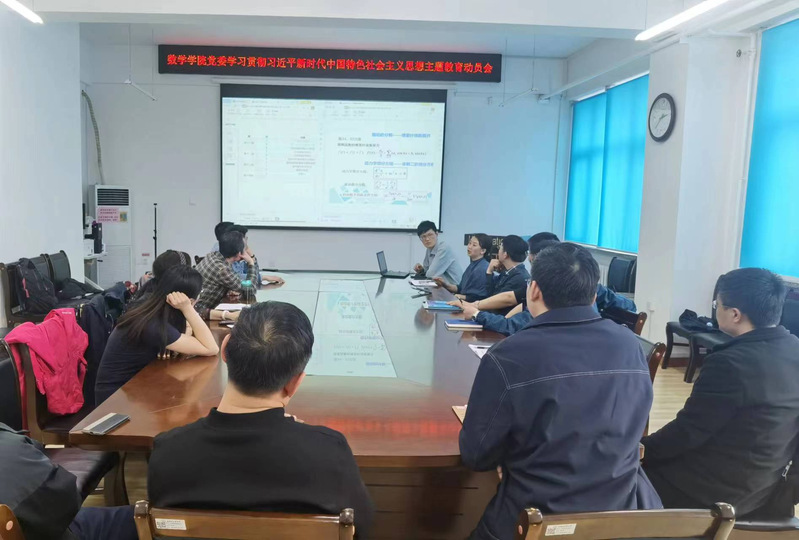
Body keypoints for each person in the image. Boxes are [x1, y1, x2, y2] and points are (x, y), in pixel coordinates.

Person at [460, 243, 660, 540]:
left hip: (537, 522)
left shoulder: (508, 356)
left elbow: (477, 456)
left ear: (533, 290)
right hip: (620, 518)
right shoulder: (630, 345)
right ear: (593, 295)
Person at [147, 302, 374, 538]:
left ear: (224, 349)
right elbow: (360, 529)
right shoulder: (329, 451)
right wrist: (307, 439)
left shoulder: (167, 451)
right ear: (295, 383)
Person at [642, 268, 799, 518]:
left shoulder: (730, 363)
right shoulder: (794, 349)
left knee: (628, 476)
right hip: (763, 488)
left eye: (717, 305)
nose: (715, 310)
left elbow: (686, 433)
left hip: (714, 493)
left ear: (735, 314)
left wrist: (639, 450)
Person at [460, 234, 637, 335]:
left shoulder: (546, 298)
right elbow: (630, 306)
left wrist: (476, 313)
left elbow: (512, 324)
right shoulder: (626, 344)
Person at [95, 266, 220, 405]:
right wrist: (187, 308)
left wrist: (187, 311)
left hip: (133, 389)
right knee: (182, 407)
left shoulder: (152, 308)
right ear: (189, 300)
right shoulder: (152, 324)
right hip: (115, 400)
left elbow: (189, 337)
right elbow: (211, 348)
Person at [0, 422, 137, 540]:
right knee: (137, 519)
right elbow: (66, 499)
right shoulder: (9, 448)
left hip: (42, 521)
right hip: (59, 530)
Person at [433, 233, 491, 302]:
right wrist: (445, 284)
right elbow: (460, 289)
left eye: (474, 245)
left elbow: (479, 298)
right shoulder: (472, 265)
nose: (469, 247)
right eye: (469, 243)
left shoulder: (483, 268)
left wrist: (460, 296)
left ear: (483, 251)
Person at [413, 220, 463, 287]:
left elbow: (431, 274)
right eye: (423, 236)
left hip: (455, 289)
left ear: (436, 234)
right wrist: (421, 270)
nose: (427, 239)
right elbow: (427, 271)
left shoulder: (444, 248)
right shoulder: (429, 249)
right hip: (441, 287)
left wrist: (425, 273)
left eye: (430, 235)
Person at [484, 235, 529, 300]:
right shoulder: (508, 272)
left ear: (505, 254)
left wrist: (489, 271)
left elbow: (495, 300)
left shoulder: (517, 277)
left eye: (500, 248)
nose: (498, 251)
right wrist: (489, 272)